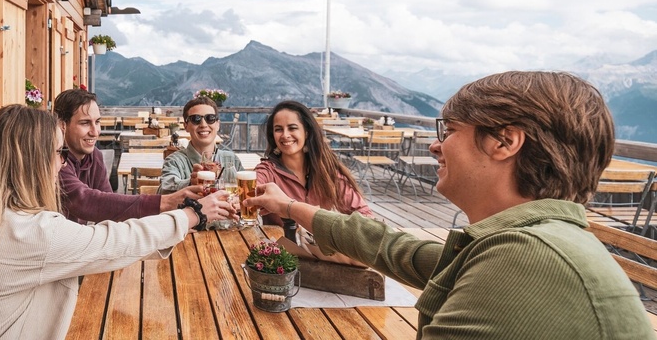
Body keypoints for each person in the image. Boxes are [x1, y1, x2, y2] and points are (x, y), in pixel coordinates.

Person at [247, 71, 653, 339]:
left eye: (451, 130)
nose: (435, 143)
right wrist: (294, 208)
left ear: (504, 142)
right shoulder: (525, 241)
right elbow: (399, 250)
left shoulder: (527, 259)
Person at [0, 104, 233, 339]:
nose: (64, 163)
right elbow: (113, 241)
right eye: (59, 153)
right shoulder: (29, 232)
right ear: (33, 160)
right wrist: (193, 214)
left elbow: (104, 242)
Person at [54, 88, 202, 223]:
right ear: (62, 125)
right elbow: (85, 200)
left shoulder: (94, 156)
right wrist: (166, 202)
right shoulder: (53, 161)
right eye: (85, 123)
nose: (95, 131)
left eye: (97, 122)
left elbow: (108, 208)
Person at [255, 100, 372, 227]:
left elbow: (364, 214)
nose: (285, 135)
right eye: (278, 129)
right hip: (281, 245)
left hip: (319, 245)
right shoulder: (268, 171)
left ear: (307, 132)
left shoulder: (326, 171)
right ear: (273, 135)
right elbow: (251, 189)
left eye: (292, 128)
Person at [159, 96, 243, 194]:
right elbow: (163, 192)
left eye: (210, 118)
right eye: (196, 119)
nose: (203, 124)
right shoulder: (174, 161)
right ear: (186, 126)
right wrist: (191, 183)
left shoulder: (231, 159)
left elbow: (244, 193)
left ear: (217, 125)